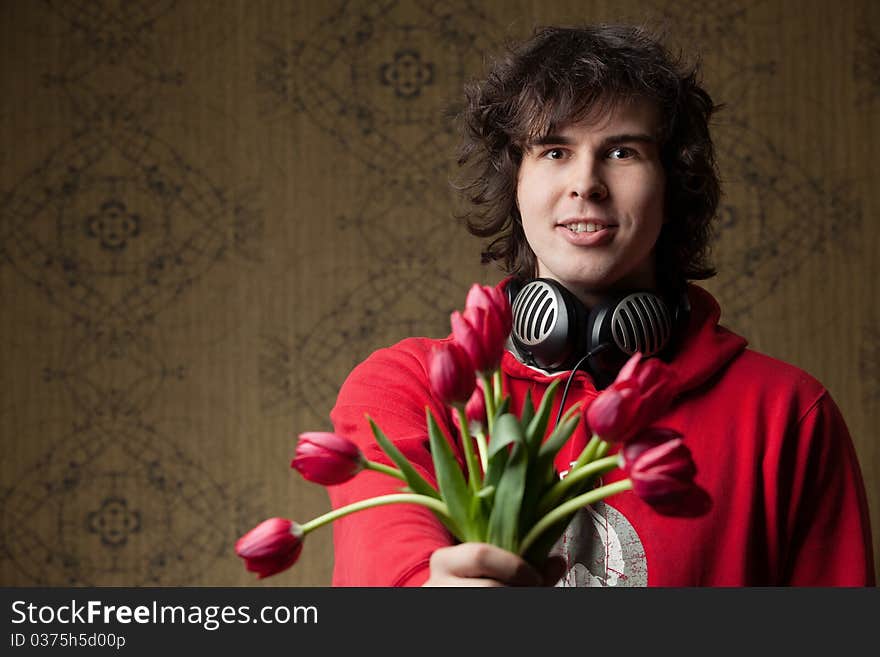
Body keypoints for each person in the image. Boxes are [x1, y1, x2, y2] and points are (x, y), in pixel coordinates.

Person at [326, 25, 875, 586]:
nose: (586, 183)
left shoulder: (787, 414)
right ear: (514, 181)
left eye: (622, 151)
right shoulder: (405, 388)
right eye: (554, 151)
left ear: (672, 184)